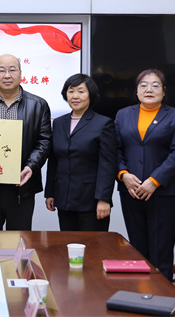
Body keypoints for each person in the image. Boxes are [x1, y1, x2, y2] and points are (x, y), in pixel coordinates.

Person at [115, 69, 175, 280]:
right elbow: (115, 149)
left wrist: (154, 181)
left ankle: (162, 296)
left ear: (164, 91)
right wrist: (123, 174)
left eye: (155, 85)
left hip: (163, 193)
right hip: (131, 191)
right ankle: (141, 294)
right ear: (137, 91)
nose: (149, 89)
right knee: (137, 248)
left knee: (161, 250)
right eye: (143, 85)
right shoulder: (123, 115)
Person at [0, 54, 51, 230]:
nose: (7, 75)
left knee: (18, 241)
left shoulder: (38, 105)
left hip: (21, 186)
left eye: (12, 70)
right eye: (1, 70)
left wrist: (30, 167)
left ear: (20, 73)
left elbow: (44, 141)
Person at [45, 73, 117, 231]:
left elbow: (108, 165)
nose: (75, 96)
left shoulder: (103, 124)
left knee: (93, 245)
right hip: (64, 199)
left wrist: (104, 199)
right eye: (71, 91)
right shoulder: (59, 123)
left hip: (91, 202)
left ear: (90, 94)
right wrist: (50, 192)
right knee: (68, 243)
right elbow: (54, 159)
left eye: (81, 91)